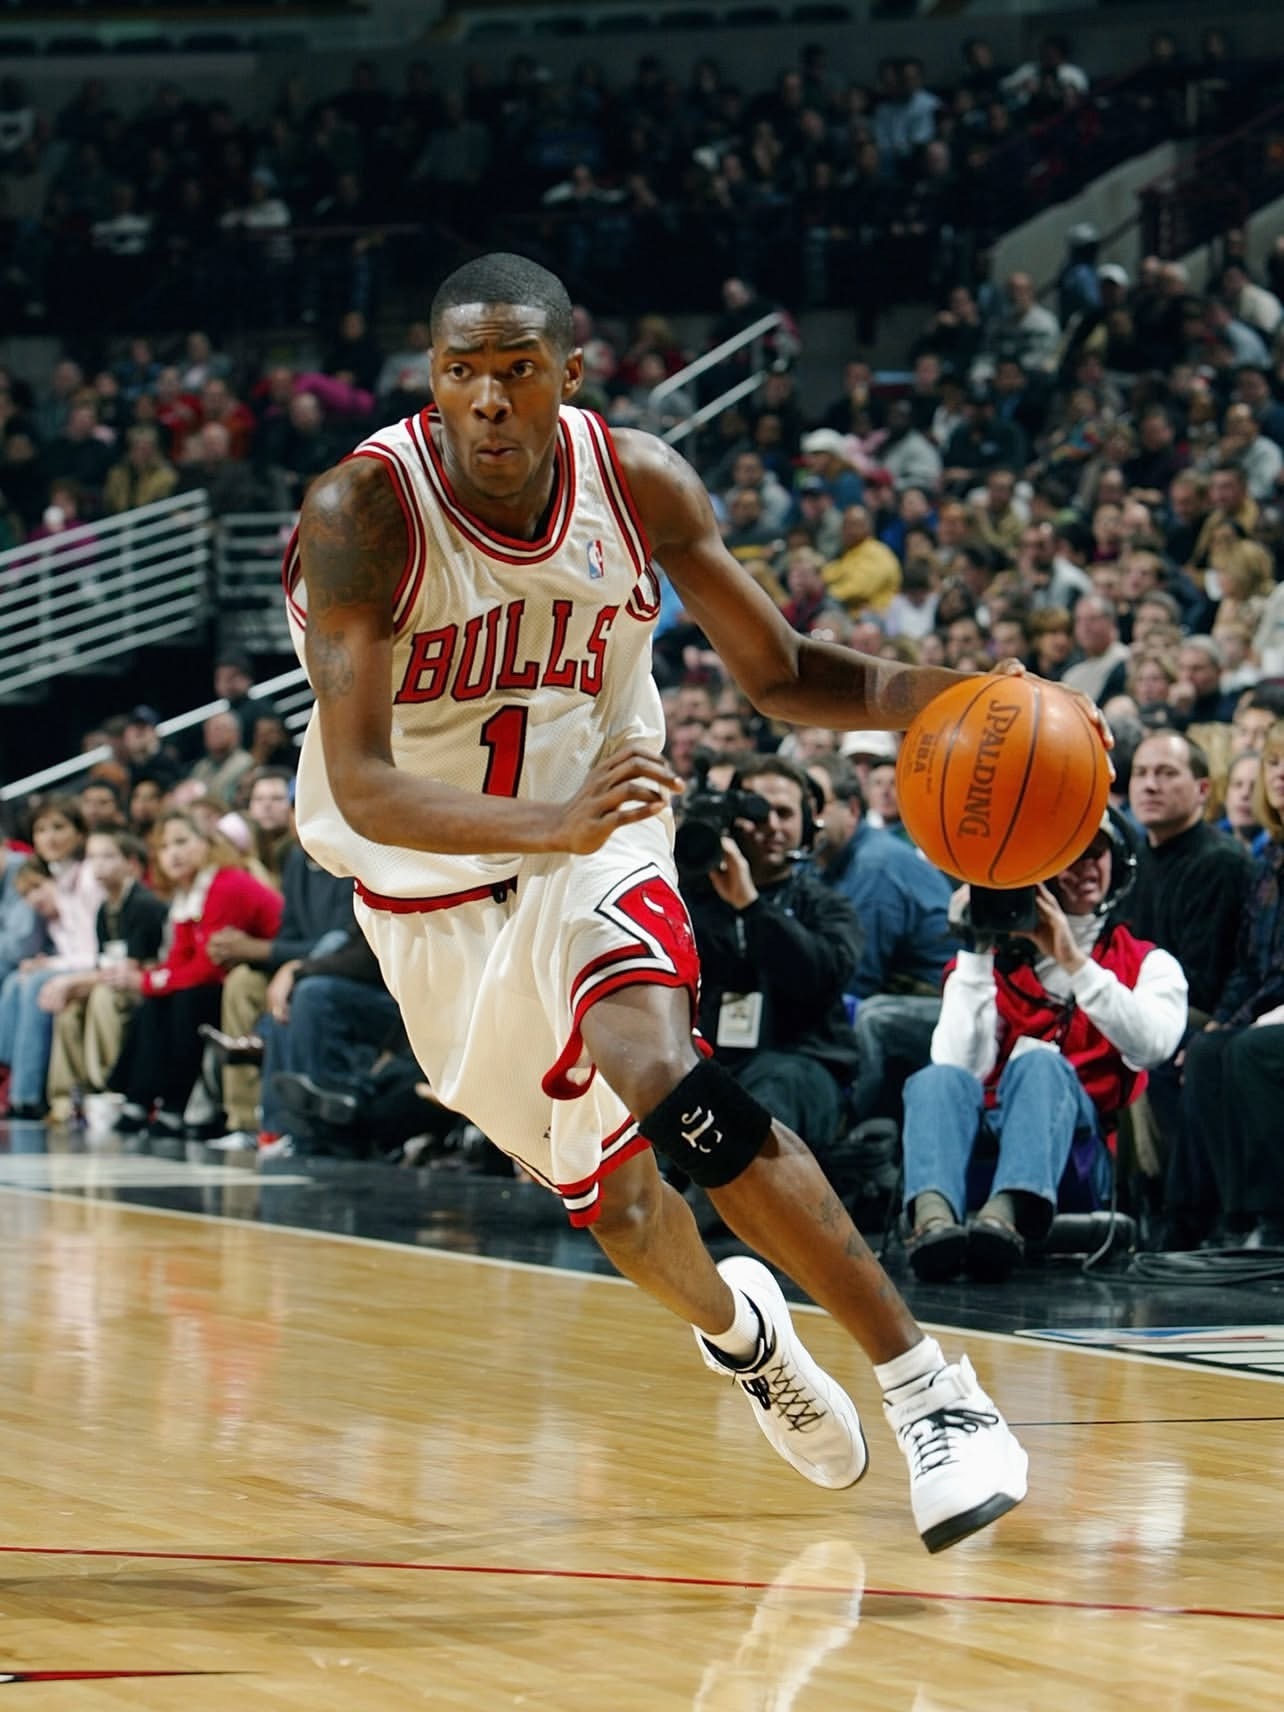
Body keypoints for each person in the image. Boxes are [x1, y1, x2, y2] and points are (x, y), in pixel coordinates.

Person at [287, 251, 1040, 1553]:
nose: (488, 400)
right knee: (626, 1208)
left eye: (518, 370)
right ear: (433, 379)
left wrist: (959, 698)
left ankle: (934, 1391)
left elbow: (784, 669)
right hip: (435, 893)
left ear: (571, 374)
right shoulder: (365, 510)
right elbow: (360, 784)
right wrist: (547, 821)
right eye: (461, 372)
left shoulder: (636, 484)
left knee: (661, 1074)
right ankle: (744, 1338)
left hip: (604, 828)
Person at [901, 814, 1187, 1282]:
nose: (1086, 868)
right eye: (1072, 857)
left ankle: (1008, 1213)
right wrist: (975, 952)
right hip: (978, 1145)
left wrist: (1072, 960)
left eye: (1096, 854)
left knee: (1040, 1064)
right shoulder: (988, 963)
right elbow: (957, 1066)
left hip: (1078, 1158)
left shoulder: (1148, 963)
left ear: (1117, 863)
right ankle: (933, 1218)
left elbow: (1152, 1047)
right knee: (936, 1078)